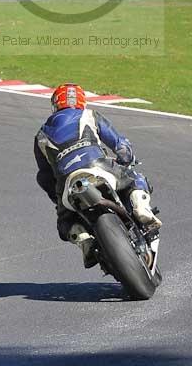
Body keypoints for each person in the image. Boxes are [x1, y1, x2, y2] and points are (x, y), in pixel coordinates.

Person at [34, 83, 160, 268]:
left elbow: (44, 177)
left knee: (65, 222)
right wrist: (128, 159)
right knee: (134, 178)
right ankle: (140, 207)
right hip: (98, 166)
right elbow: (120, 145)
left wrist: (58, 198)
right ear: (82, 101)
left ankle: (84, 241)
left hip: (68, 181)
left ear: (55, 105)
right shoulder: (89, 115)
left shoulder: (41, 135)